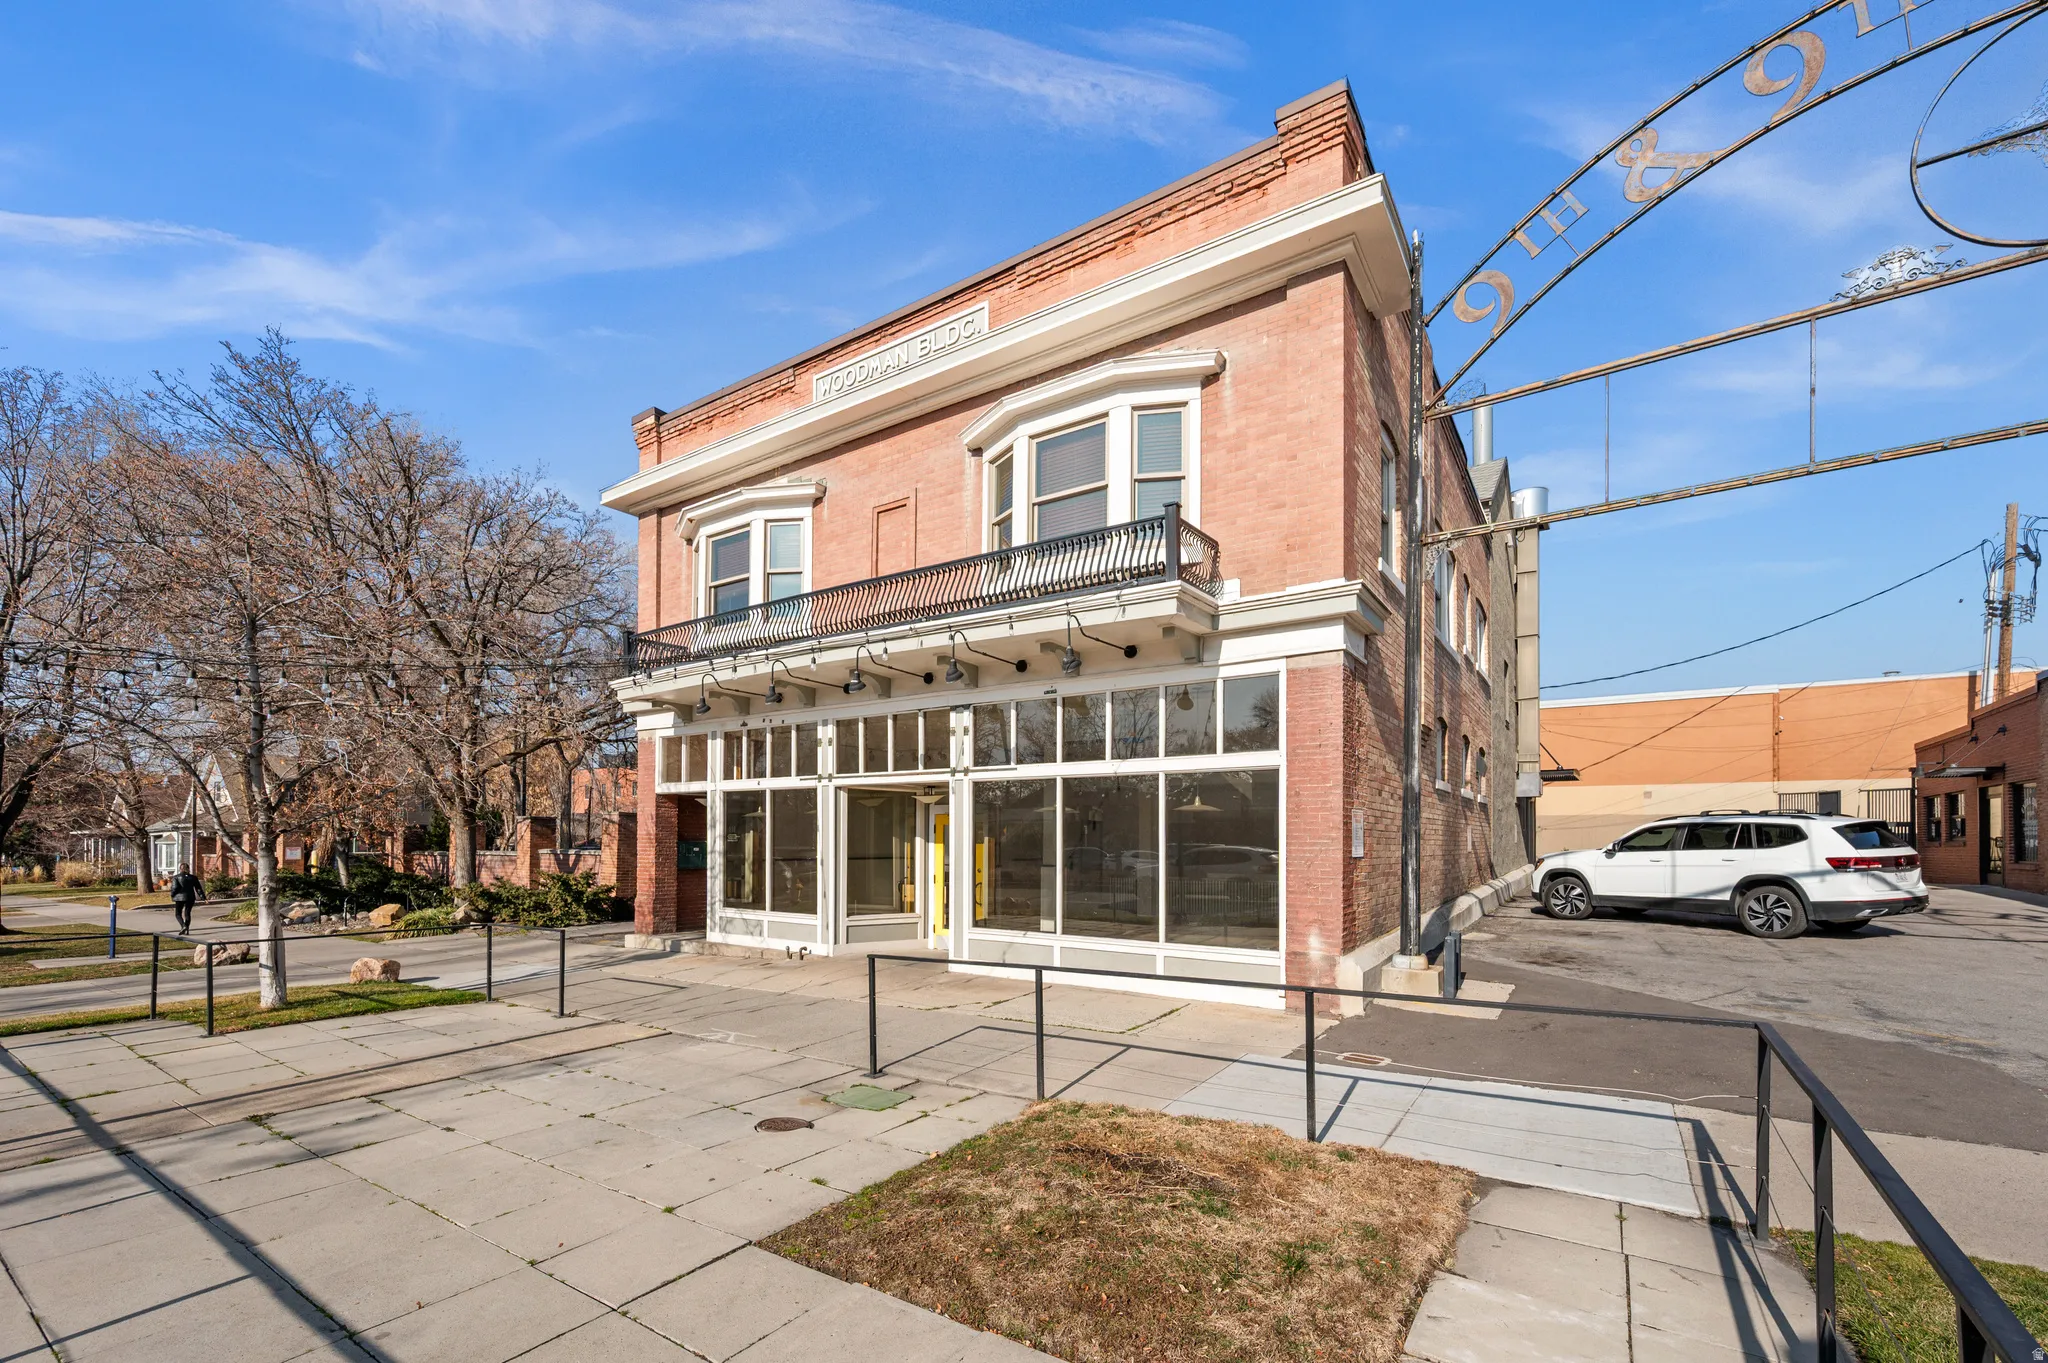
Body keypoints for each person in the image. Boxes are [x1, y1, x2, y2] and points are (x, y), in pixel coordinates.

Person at [168, 863, 202, 935]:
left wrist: (172, 895)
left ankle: (183, 926)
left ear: (180, 869)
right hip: (190, 897)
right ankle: (186, 929)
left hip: (179, 898)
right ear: (188, 869)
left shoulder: (176, 877)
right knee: (187, 913)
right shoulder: (193, 878)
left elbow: (174, 888)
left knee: (178, 914)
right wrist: (203, 897)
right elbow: (198, 888)